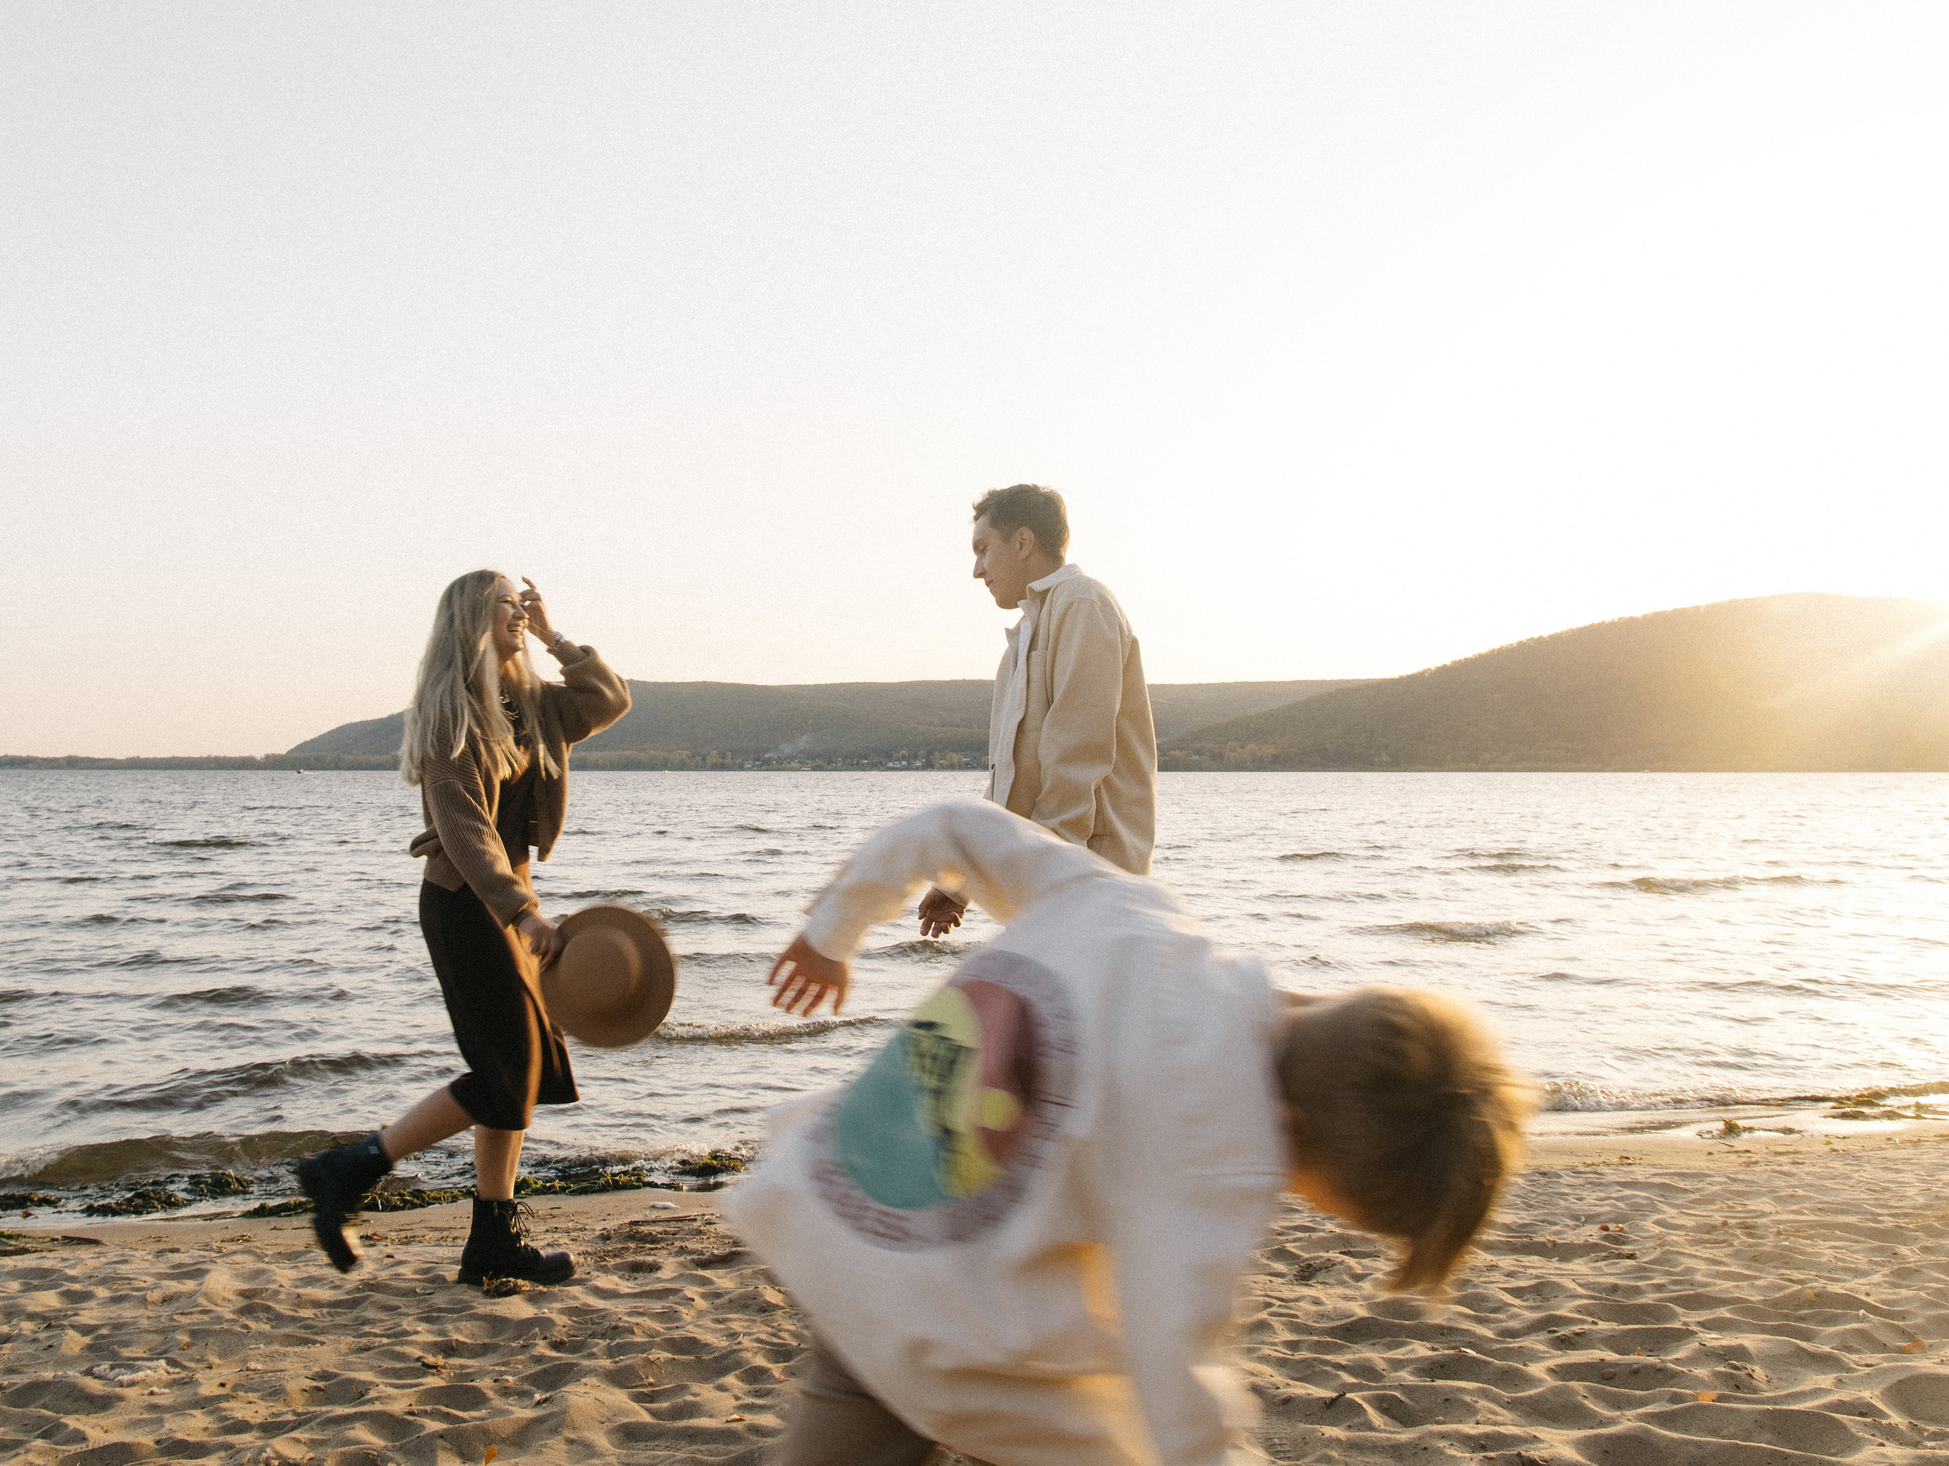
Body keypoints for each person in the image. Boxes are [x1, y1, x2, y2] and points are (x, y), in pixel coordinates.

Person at [747, 796, 1533, 1466]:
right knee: (1106, 1429)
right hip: (934, 1319)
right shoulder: (1216, 1143)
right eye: (1310, 1195)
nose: (1281, 1195)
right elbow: (1176, 1358)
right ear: (1290, 1134)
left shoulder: (1135, 911)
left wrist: (833, 929)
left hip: (832, 1200)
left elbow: (953, 825)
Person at [293, 570, 630, 1286]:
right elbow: (464, 827)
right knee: (507, 1074)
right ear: (473, 617)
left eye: (521, 602)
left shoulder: (533, 701)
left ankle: (491, 1239)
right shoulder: (452, 712)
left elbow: (610, 699)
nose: (519, 609)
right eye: (507, 603)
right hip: (466, 902)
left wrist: (554, 636)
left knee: (523, 1069)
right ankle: (349, 1167)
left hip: (509, 903)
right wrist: (521, 910)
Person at [919, 485, 1155, 941]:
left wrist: (1051, 887)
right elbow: (1009, 786)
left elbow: (1076, 759)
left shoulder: (1082, 603)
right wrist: (962, 883)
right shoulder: (1023, 639)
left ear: (1023, 542)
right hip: (1055, 889)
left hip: (1092, 884)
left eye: (984, 549)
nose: (976, 569)